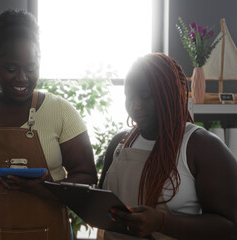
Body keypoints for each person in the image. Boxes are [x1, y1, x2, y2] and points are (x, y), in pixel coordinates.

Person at [0, 9, 97, 240]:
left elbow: (87, 176)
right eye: (11, 69)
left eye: (31, 69)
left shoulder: (61, 111)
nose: (22, 78)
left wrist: (43, 189)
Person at [98, 53, 237, 239]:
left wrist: (161, 223)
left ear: (170, 94)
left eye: (145, 95)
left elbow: (229, 227)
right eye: (129, 96)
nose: (135, 105)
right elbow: (102, 205)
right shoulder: (120, 144)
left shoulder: (201, 147)